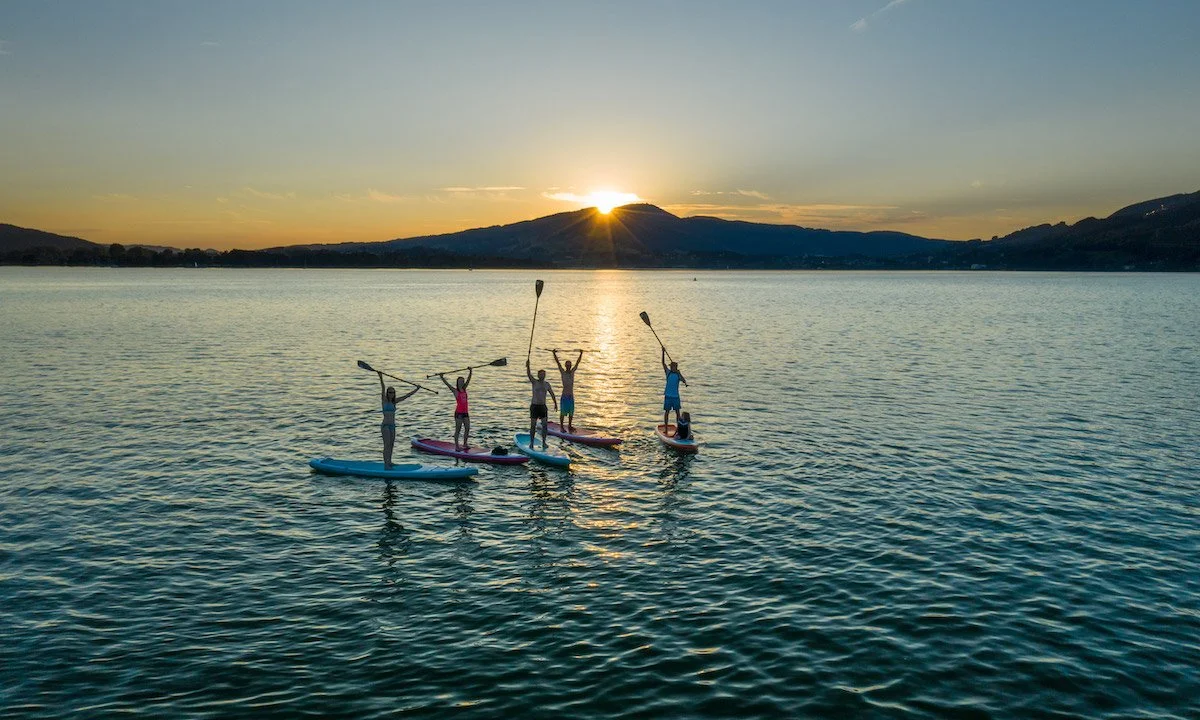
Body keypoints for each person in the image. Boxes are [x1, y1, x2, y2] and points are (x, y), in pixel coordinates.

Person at [377, 372, 418, 468]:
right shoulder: (384, 400)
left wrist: (416, 389)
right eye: (390, 392)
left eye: (393, 392)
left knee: (391, 445)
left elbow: (407, 396)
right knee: (386, 445)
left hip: (392, 426)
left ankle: (390, 461)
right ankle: (386, 464)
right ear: (387, 393)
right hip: (385, 426)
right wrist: (380, 377)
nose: (392, 394)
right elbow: (382, 387)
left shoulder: (395, 402)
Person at [526, 359, 558, 450]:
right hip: (535, 406)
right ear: (538, 375)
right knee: (533, 425)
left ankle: (544, 442)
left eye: (544, 375)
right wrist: (528, 366)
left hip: (543, 407)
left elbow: (552, 393)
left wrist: (555, 403)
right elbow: (529, 374)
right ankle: (531, 443)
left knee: (545, 425)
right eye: (541, 375)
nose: (542, 376)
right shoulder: (534, 382)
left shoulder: (547, 384)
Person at [438, 368, 472, 451]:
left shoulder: (464, 389)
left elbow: (469, 380)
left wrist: (470, 371)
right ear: (457, 382)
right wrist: (442, 377)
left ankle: (465, 444)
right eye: (460, 381)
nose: (462, 382)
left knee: (467, 428)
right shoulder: (455, 391)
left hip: (465, 413)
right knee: (458, 430)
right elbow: (448, 385)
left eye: (463, 381)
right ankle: (457, 447)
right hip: (459, 413)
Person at [552, 348, 583, 433]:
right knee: (563, 412)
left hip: (571, 396)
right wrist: (554, 354)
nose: (569, 366)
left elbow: (577, 363)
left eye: (570, 365)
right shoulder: (563, 372)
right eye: (567, 365)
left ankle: (569, 426)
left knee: (571, 412)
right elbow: (558, 363)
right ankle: (561, 426)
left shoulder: (572, 372)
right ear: (566, 366)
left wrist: (581, 354)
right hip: (564, 396)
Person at [662, 348, 688, 429]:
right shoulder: (668, 373)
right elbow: (663, 363)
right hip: (668, 396)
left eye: (673, 367)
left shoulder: (678, 375)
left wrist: (679, 373)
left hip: (676, 396)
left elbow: (684, 381)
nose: (671, 368)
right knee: (667, 412)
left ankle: (679, 427)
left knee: (677, 412)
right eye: (671, 367)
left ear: (675, 367)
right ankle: (666, 427)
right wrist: (663, 352)